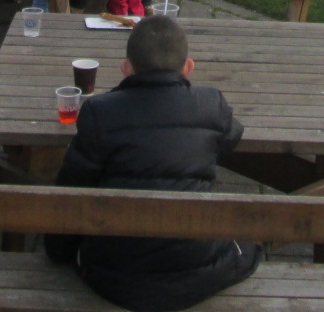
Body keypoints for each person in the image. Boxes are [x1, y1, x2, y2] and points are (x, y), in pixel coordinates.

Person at [45, 16, 263, 311]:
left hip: (116, 278)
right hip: (200, 273)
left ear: (126, 68)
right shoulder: (210, 103)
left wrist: (58, 251)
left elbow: (72, 190)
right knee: (246, 234)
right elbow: (231, 137)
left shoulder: (99, 112)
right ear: (188, 67)